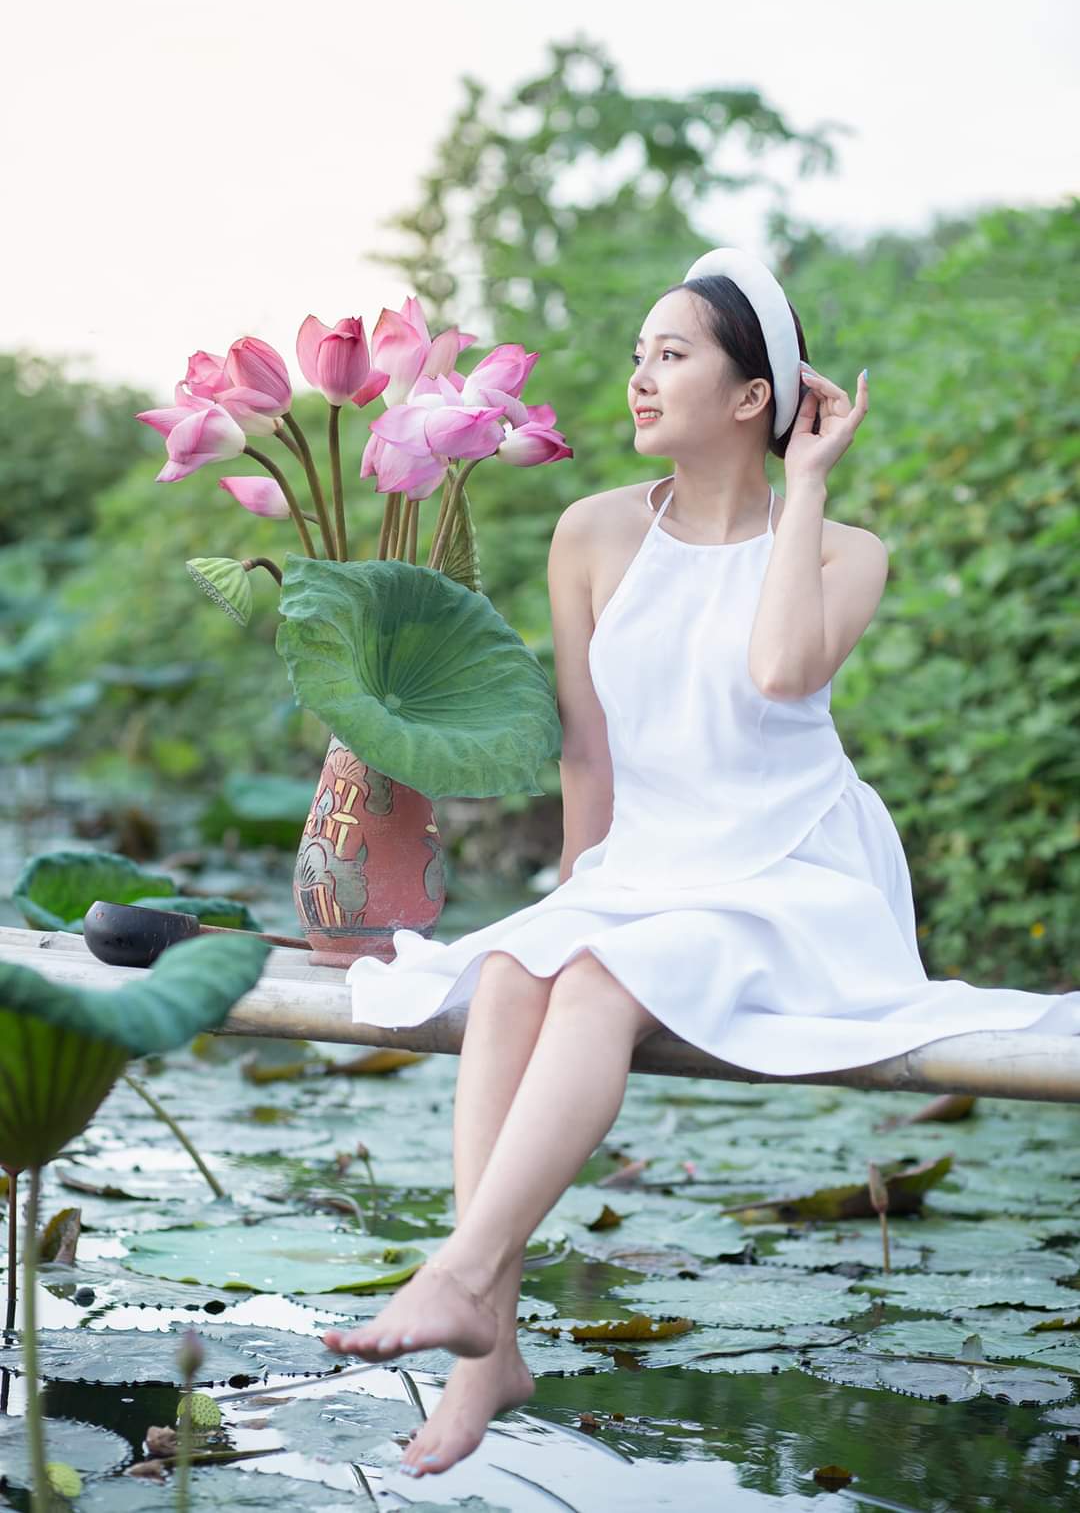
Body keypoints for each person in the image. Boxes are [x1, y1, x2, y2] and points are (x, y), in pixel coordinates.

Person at [323, 249, 1080, 1479]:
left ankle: (464, 1279)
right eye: (638, 353)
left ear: (751, 397)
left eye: (671, 355)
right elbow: (587, 748)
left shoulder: (847, 550)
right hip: (650, 862)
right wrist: (574, 887)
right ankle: (488, 1350)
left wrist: (813, 478)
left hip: (793, 873)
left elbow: (782, 672)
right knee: (523, 963)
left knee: (607, 982)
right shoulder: (591, 531)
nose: (639, 377)